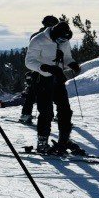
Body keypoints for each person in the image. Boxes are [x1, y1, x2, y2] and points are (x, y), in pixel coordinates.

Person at [25, 20, 82, 155]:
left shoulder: (64, 41)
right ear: (54, 34)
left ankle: (64, 140)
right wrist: (44, 67)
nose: (63, 41)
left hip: (58, 79)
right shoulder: (38, 40)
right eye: (61, 39)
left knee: (65, 110)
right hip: (43, 79)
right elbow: (29, 62)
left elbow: (67, 57)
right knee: (46, 112)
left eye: (66, 39)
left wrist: (72, 64)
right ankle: (42, 142)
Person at [19, 15, 59, 124]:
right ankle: (52, 115)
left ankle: (26, 114)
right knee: (53, 92)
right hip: (49, 68)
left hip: (36, 68)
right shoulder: (53, 36)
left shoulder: (35, 36)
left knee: (32, 92)